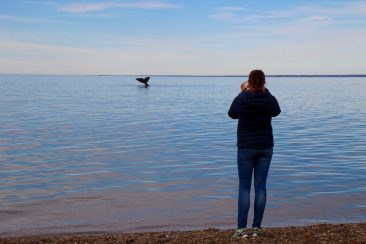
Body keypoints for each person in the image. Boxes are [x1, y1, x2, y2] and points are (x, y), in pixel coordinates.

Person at [228, 70, 281, 238]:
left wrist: (243, 91)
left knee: (244, 187)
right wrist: (266, 92)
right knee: (260, 187)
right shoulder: (268, 98)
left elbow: (232, 114)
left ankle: (241, 229)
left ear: (249, 81)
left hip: (246, 147)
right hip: (265, 147)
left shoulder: (242, 97)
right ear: (264, 82)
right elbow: (276, 111)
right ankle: (257, 228)